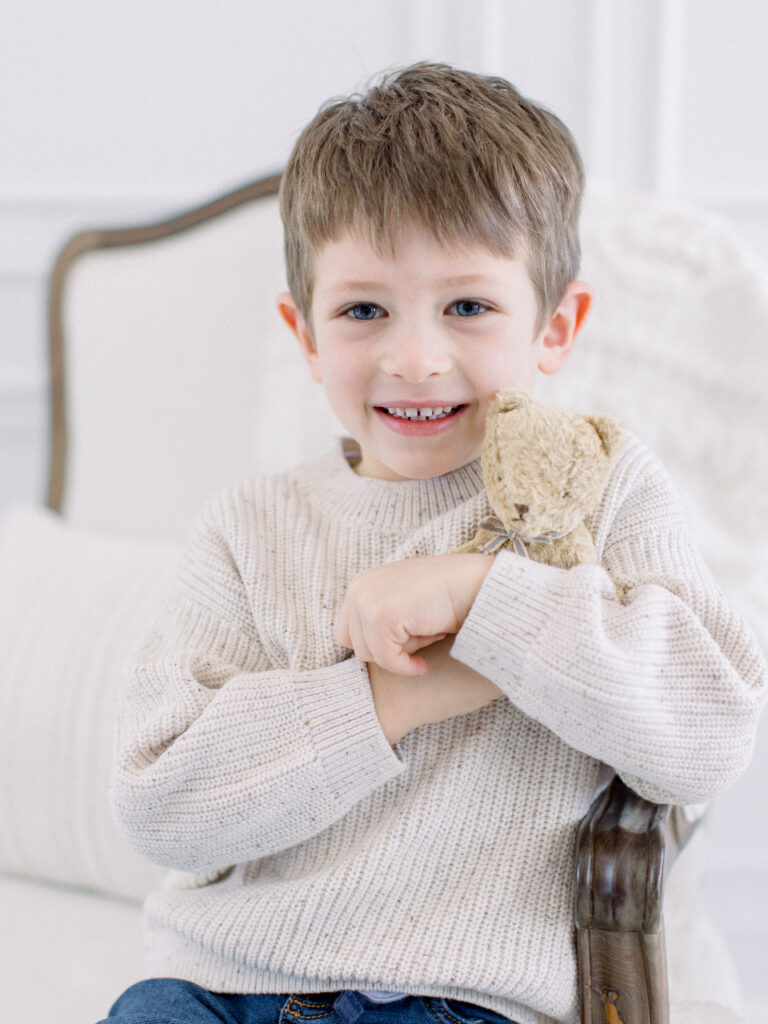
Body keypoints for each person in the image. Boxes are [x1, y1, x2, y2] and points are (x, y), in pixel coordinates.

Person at [102, 63, 767, 1024]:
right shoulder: (249, 530)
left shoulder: (606, 484)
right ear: (306, 335)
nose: (415, 357)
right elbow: (162, 805)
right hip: (221, 986)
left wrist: (484, 600)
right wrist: (393, 693)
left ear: (557, 325)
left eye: (467, 306)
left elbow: (708, 731)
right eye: (364, 310)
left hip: (465, 1001)